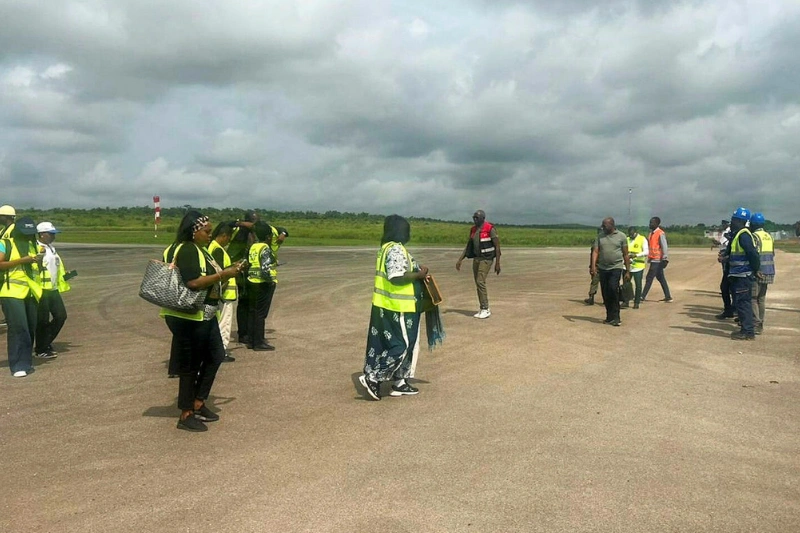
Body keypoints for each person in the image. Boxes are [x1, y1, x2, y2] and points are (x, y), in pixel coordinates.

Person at [161, 211, 246, 432]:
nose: (210, 235)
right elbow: (193, 283)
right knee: (191, 365)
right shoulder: (188, 249)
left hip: (200, 314)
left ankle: (198, 401)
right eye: (206, 231)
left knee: (216, 355)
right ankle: (186, 413)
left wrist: (228, 270)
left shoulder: (196, 250)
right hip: (189, 315)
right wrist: (225, 274)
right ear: (194, 231)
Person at [359, 215, 429, 400]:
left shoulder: (385, 248)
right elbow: (396, 276)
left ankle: (399, 381)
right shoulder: (396, 249)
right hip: (399, 307)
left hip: (385, 305)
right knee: (402, 345)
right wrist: (419, 276)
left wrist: (416, 269)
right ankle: (374, 377)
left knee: (394, 344)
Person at [0, 217, 43, 377]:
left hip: (31, 293)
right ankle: (18, 365)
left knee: (30, 328)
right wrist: (21, 260)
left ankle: (26, 361)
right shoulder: (5, 243)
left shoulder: (34, 245)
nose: (28, 236)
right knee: (19, 328)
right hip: (11, 292)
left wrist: (39, 259)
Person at [34, 222, 73, 359]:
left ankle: (45, 342)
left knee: (61, 316)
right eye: (51, 234)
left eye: (54, 234)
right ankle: (41, 348)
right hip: (41, 289)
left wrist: (64, 276)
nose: (53, 236)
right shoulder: (35, 248)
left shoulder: (51, 248)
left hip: (53, 289)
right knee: (42, 321)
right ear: (41, 234)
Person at [456, 209, 500, 319]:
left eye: (477, 218)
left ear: (483, 218)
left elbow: (497, 246)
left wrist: (497, 263)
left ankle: (485, 308)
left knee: (480, 281)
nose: (475, 219)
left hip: (487, 259)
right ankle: (483, 308)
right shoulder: (473, 230)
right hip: (476, 259)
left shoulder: (490, 229)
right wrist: (460, 259)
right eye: (474, 217)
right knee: (477, 282)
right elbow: (468, 246)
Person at [725, 207, 760, 341]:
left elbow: (753, 254)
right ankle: (745, 329)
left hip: (743, 275)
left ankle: (748, 331)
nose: (731, 222)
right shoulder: (739, 234)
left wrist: (755, 270)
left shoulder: (743, 235)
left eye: (734, 220)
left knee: (744, 303)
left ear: (740, 221)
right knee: (741, 303)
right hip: (738, 274)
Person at [590, 217, 630, 326]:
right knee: (605, 292)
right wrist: (593, 266)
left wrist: (628, 271)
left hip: (616, 267)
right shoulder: (600, 236)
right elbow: (595, 251)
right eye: (602, 225)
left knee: (613, 289)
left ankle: (616, 317)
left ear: (612, 225)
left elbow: (626, 254)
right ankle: (609, 316)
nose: (603, 227)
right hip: (603, 268)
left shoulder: (621, 236)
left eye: (605, 225)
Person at [208, 222, 239, 362]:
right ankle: (221, 351)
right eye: (228, 238)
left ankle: (216, 350)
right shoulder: (218, 250)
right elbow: (221, 273)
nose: (228, 241)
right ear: (224, 236)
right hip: (224, 295)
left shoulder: (212, 247)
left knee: (219, 323)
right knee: (224, 324)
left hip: (219, 294)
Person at [227, 211, 259, 345]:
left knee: (251, 304)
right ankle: (243, 333)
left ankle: (249, 332)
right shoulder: (241, 235)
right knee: (244, 303)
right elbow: (233, 255)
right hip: (242, 273)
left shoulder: (253, 234)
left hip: (251, 273)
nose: (255, 223)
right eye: (253, 220)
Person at [244, 221, 277, 351]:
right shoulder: (265, 248)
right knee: (261, 314)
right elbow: (265, 268)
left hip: (252, 281)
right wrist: (270, 281)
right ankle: (258, 342)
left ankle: (251, 339)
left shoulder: (254, 246)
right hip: (262, 284)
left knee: (253, 311)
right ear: (268, 236)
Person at [749, 213, 774, 335]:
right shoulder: (768, 236)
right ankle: (761, 322)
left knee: (753, 298)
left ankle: (756, 323)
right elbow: (772, 253)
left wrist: (755, 269)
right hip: (769, 270)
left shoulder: (754, 236)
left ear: (753, 224)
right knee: (761, 298)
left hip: (758, 271)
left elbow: (754, 255)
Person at [640, 216, 672, 303]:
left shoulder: (660, 233)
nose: (650, 224)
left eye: (652, 222)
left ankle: (642, 296)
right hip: (653, 259)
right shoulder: (651, 234)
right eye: (650, 222)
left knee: (649, 278)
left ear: (657, 224)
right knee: (661, 278)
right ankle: (668, 296)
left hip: (658, 260)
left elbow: (664, 246)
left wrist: (665, 258)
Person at [625, 226, 649, 309]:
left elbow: (646, 252)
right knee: (626, 284)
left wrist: (636, 255)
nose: (631, 236)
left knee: (638, 285)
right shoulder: (627, 239)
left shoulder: (642, 239)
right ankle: (626, 301)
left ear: (636, 232)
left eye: (632, 234)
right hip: (627, 266)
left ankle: (636, 302)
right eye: (630, 234)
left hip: (638, 266)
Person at [715, 220, 735, 319]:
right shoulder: (732, 234)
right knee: (725, 287)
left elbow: (734, 252)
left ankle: (732, 310)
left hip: (735, 267)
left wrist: (724, 258)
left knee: (731, 288)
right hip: (730, 264)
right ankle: (730, 310)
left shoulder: (735, 235)